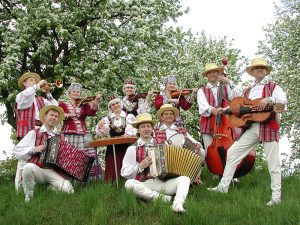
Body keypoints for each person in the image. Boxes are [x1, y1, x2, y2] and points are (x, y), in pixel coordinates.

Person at [207, 58, 288, 206]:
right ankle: (223, 187)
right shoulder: (249, 90)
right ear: (252, 72)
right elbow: (238, 104)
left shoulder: (273, 87)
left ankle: (276, 198)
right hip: (252, 128)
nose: (259, 70)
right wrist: (224, 109)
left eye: (262, 68)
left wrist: (269, 99)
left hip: (268, 126)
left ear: (265, 71)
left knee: (273, 163)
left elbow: (283, 100)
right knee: (232, 153)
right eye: (256, 68)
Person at [121, 113, 191, 213]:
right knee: (129, 184)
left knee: (185, 179)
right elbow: (124, 172)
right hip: (145, 184)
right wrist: (140, 166)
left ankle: (177, 204)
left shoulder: (163, 144)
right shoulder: (132, 149)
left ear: (152, 128)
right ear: (138, 130)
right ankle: (162, 198)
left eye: (148, 126)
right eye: (143, 127)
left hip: (163, 182)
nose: (146, 129)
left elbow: (173, 160)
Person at [13, 105, 74, 202]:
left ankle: (49, 189)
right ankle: (29, 198)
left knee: (69, 190)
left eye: (56, 116)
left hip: (53, 171)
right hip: (38, 170)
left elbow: (67, 157)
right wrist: (33, 149)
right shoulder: (34, 133)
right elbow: (17, 151)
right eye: (51, 115)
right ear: (45, 116)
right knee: (28, 167)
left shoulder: (62, 137)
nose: (53, 118)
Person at [59, 83, 102, 180]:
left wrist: (96, 100)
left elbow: (92, 112)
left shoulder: (84, 104)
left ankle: (87, 179)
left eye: (77, 92)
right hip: (68, 134)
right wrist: (64, 115)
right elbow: (57, 114)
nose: (76, 93)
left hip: (83, 134)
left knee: (87, 155)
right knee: (70, 155)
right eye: (73, 91)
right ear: (69, 93)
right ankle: (69, 179)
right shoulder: (63, 104)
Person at [154, 104, 205, 183]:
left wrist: (197, 144)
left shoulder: (180, 129)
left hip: (181, 156)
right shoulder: (156, 130)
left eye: (171, 114)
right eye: (166, 114)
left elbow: (192, 140)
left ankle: (196, 177)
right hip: (164, 157)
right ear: (162, 117)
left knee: (201, 151)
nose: (169, 116)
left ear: (174, 117)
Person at [197, 63, 241, 153]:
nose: (212, 74)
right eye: (209, 73)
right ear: (206, 75)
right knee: (210, 152)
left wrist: (229, 82)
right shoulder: (201, 90)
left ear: (218, 73)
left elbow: (237, 97)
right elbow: (203, 106)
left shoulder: (225, 87)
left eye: (214, 72)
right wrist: (213, 110)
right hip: (208, 124)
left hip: (225, 124)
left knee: (230, 149)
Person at [96, 95, 136, 182]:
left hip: (126, 145)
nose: (116, 105)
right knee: (112, 164)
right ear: (110, 107)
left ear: (121, 104)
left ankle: (127, 184)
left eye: (117, 103)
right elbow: (103, 134)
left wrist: (127, 134)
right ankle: (111, 185)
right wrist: (100, 126)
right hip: (112, 146)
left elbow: (133, 130)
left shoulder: (129, 116)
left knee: (126, 163)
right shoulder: (107, 118)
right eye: (113, 104)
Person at [15, 72, 58, 140]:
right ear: (25, 83)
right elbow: (28, 93)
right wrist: (39, 84)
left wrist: (48, 93)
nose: (34, 82)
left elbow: (55, 107)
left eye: (35, 81)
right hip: (26, 130)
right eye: (31, 80)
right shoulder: (20, 96)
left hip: (40, 131)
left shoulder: (41, 99)